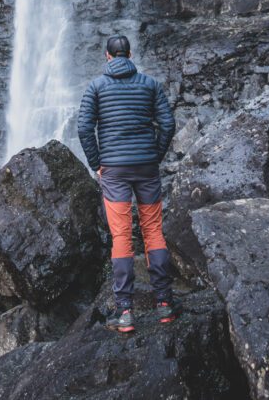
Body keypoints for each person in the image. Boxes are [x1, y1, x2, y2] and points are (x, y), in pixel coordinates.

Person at [77, 34, 177, 334]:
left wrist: (97, 163)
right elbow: (168, 124)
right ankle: (164, 305)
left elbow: (84, 128)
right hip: (146, 167)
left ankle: (125, 312)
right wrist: (155, 155)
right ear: (129, 54)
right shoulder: (149, 84)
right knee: (153, 231)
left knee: (121, 237)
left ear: (108, 56)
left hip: (115, 172)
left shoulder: (96, 87)